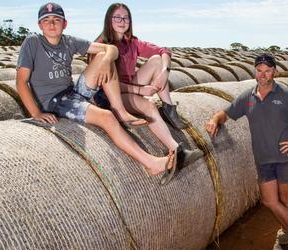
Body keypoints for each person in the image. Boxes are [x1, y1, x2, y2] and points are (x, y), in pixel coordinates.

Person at [16, 2, 177, 185]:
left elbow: (112, 49)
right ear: (39, 25)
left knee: (104, 57)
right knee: (107, 117)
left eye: (56, 20)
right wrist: (36, 113)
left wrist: (107, 57)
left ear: (65, 24)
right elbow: (21, 81)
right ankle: (151, 163)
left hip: (73, 92)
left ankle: (122, 111)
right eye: (46, 20)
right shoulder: (33, 42)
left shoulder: (69, 41)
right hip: (54, 102)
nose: (52, 24)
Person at [206, 54, 288, 250]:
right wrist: (214, 120)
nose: (263, 74)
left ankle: (285, 239)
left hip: (286, 158)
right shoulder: (247, 97)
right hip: (263, 159)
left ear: (274, 71)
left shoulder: (287, 94)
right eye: (259, 70)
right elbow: (226, 113)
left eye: (267, 70)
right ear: (255, 71)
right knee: (269, 201)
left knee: (285, 200)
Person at [92, 3, 203, 170]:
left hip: (129, 87)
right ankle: (177, 152)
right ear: (109, 20)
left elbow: (163, 51)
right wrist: (139, 90)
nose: (122, 21)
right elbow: (104, 82)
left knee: (158, 60)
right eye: (117, 17)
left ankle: (168, 106)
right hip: (108, 95)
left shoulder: (132, 42)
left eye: (126, 17)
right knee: (149, 106)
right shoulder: (101, 45)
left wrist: (165, 71)